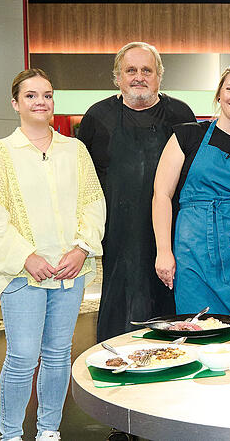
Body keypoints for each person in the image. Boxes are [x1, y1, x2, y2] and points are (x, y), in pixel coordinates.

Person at [0, 69, 106, 441]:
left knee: (57, 355)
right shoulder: (1, 152)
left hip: (69, 272)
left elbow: (94, 203)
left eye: (47, 95)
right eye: (31, 95)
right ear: (15, 103)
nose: (41, 102)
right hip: (23, 276)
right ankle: (11, 434)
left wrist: (82, 249)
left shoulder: (75, 150)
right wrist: (26, 257)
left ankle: (49, 430)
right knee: (21, 358)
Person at [78, 42, 196, 343]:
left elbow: (192, 177)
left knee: (171, 313)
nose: (139, 77)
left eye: (147, 70)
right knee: (121, 311)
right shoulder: (97, 117)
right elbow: (84, 182)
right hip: (119, 234)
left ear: (159, 77)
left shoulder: (181, 115)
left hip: (171, 233)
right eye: (131, 70)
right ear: (118, 77)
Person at [152, 63, 230, 314]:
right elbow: (161, 195)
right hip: (192, 250)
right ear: (219, 94)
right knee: (196, 326)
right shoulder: (187, 136)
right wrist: (164, 251)